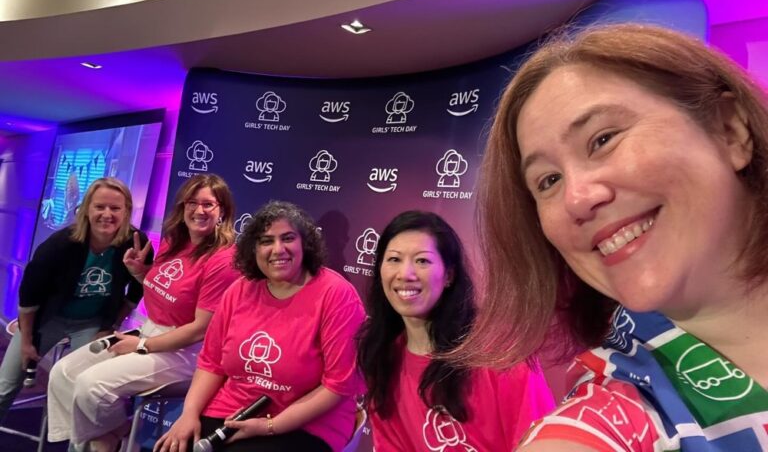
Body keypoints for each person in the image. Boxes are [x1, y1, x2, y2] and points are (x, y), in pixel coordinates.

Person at [455, 23, 768, 451]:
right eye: (547, 181)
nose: (576, 198)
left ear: (729, 130)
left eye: (603, 139)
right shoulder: (609, 417)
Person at [47, 174, 239, 452]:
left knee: (91, 385)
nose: (199, 210)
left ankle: (104, 442)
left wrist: (141, 345)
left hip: (189, 352)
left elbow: (199, 329)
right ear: (182, 206)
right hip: (150, 332)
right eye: (192, 202)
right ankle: (114, 433)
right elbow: (168, 292)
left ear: (222, 211)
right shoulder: (175, 240)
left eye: (209, 204)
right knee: (62, 373)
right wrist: (142, 273)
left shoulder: (223, 260)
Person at [156, 200, 365, 452]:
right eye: (266, 241)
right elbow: (211, 363)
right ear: (253, 249)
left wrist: (271, 426)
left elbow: (337, 386)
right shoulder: (239, 290)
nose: (278, 249)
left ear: (305, 244)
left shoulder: (336, 295)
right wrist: (188, 414)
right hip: (232, 411)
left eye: (288, 238)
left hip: (307, 424)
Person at [357, 210, 554, 451]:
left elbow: (541, 441)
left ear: (449, 275)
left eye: (422, 261)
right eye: (394, 259)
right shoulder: (382, 357)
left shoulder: (500, 352)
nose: (405, 274)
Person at [0, 177, 152, 426]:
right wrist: (27, 342)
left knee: (84, 397)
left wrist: (111, 326)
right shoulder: (59, 245)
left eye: (115, 208)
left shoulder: (137, 244)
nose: (107, 214)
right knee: (4, 387)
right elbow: (29, 298)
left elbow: (137, 290)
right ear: (86, 210)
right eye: (100, 206)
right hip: (48, 319)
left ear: (126, 212)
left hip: (91, 323)